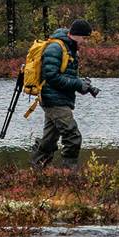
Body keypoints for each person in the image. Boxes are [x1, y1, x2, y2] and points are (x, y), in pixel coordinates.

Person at [31, 16, 97, 169]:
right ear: (77, 34)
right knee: (72, 136)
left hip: (59, 98)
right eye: (84, 38)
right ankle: (69, 174)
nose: (85, 41)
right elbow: (52, 77)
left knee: (49, 140)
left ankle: (36, 170)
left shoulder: (70, 48)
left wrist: (82, 85)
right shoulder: (56, 48)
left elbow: (66, 75)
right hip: (53, 100)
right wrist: (77, 84)